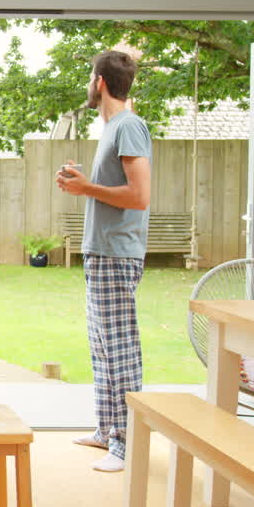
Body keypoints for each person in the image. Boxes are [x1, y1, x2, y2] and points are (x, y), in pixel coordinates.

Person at [55, 50, 152, 473]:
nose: (89, 84)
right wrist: (82, 184)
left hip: (117, 254)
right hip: (102, 252)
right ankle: (107, 429)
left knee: (120, 350)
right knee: (101, 348)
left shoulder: (129, 126)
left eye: (90, 77)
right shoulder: (112, 128)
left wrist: (86, 188)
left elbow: (139, 196)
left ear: (100, 82)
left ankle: (127, 443)